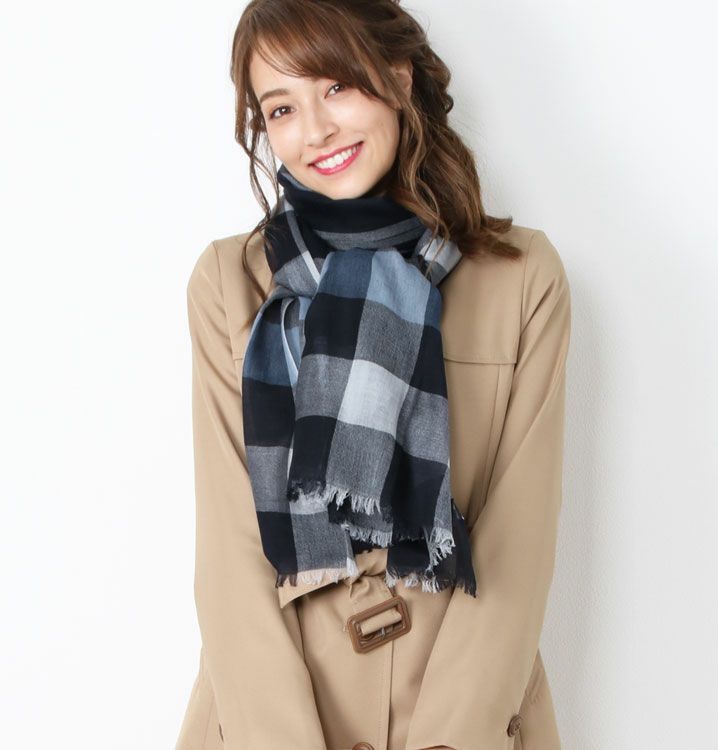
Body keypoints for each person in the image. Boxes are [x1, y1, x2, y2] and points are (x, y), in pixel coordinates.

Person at [175, 2, 571, 749]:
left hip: (466, 709)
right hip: (272, 713)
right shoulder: (230, 283)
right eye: (281, 108)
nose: (315, 130)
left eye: (336, 86)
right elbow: (229, 553)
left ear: (397, 75)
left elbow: (519, 541)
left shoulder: (522, 278)